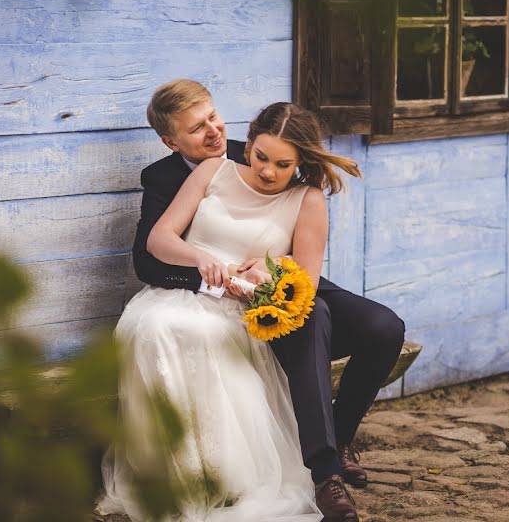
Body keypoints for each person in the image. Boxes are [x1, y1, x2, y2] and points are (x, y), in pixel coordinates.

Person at [120, 80, 407, 521]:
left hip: (282, 282)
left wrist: (271, 270)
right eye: (198, 128)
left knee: (380, 326)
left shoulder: (289, 179)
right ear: (172, 140)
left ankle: (337, 442)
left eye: (214, 118)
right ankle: (321, 470)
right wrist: (207, 267)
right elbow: (151, 251)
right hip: (215, 292)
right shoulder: (197, 173)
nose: (215, 133)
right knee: (312, 316)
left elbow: (305, 279)